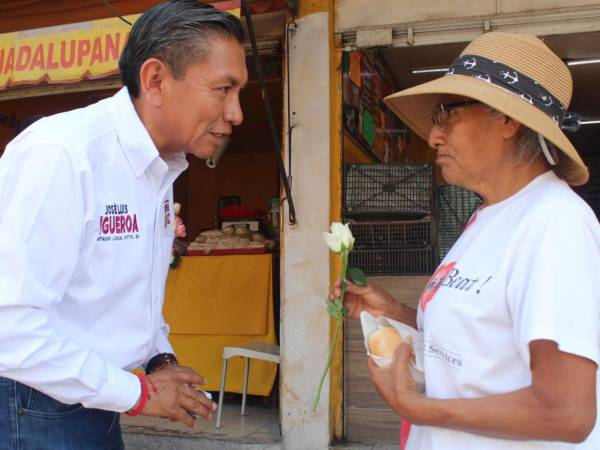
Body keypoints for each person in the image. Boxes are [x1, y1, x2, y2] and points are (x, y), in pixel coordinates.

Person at [332, 32, 600, 450]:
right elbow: (481, 344)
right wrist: (394, 311)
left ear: (507, 120)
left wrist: (415, 406)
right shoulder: (489, 216)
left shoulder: (554, 224)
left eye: (446, 116)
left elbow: (566, 413)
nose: (434, 137)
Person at [0, 0, 247, 448]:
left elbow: (128, 293)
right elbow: (9, 330)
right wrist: (137, 394)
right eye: (223, 89)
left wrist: (159, 359)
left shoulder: (160, 166)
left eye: (238, 93)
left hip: (97, 396)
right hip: (34, 406)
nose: (236, 113)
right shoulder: (63, 155)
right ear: (155, 80)